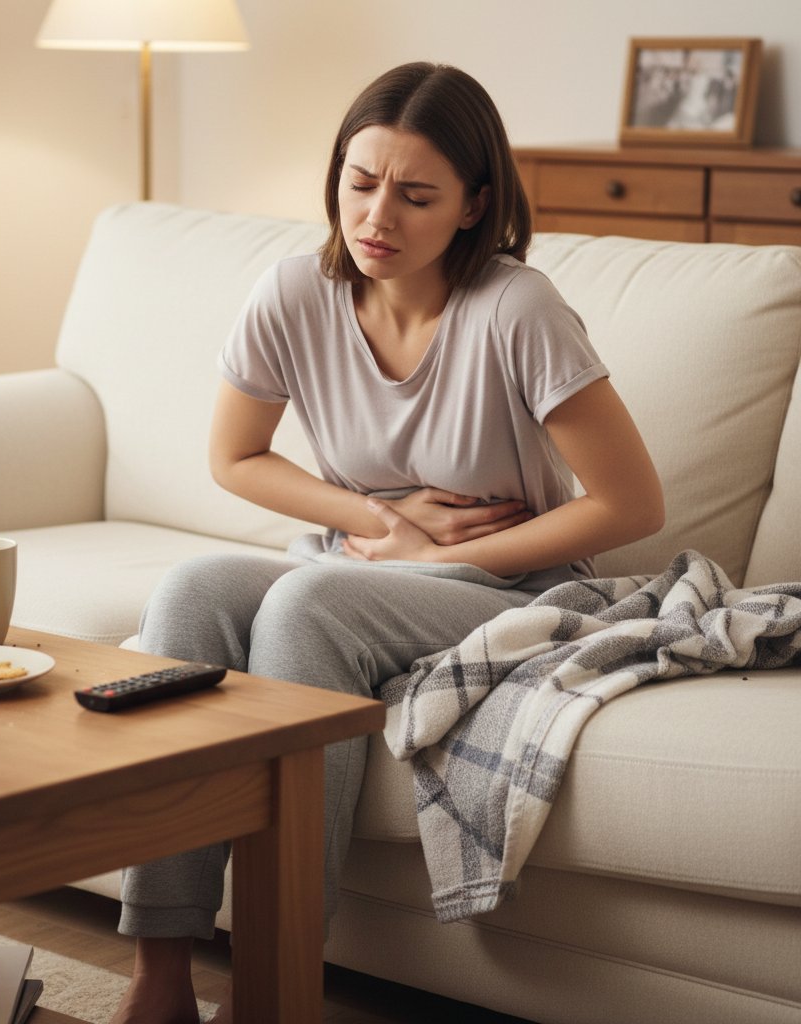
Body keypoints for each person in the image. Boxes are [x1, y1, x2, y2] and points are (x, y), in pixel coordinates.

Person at [110, 61, 664, 1024]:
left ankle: (271, 985)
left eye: (416, 195)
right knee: (194, 588)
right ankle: (157, 980)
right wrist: (388, 524)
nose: (377, 218)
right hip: (366, 558)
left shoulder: (515, 308)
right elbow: (235, 458)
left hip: (511, 586)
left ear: (473, 204)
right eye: (360, 183)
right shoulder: (292, 293)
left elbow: (632, 504)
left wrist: (438, 558)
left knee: (305, 602)